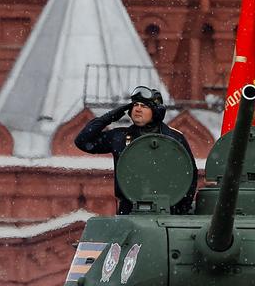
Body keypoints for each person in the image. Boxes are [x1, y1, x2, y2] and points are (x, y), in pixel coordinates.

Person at [74, 86, 195, 214]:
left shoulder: (174, 139)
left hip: (169, 210)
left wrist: (181, 209)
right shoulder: (120, 137)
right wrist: (109, 117)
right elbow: (82, 141)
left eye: (144, 106)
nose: (137, 109)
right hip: (129, 210)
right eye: (135, 105)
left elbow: (189, 173)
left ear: (156, 111)